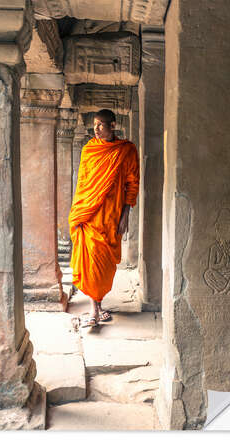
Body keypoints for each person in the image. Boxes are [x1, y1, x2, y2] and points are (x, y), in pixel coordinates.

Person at [68, 109, 139, 327]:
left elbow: (132, 183)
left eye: (101, 125)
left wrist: (126, 213)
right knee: (90, 262)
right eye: (95, 125)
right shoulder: (89, 150)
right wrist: (79, 210)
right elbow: (83, 183)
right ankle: (94, 309)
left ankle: (97, 306)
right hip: (88, 215)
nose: (96, 129)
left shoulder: (126, 150)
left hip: (111, 215)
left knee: (104, 265)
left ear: (113, 126)